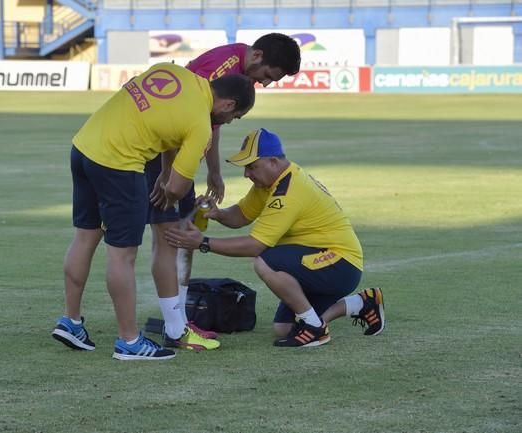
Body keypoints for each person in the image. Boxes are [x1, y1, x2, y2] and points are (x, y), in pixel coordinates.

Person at [51, 62, 256, 360]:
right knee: (122, 254)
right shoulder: (200, 126)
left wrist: (163, 170)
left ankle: (71, 321)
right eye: (233, 116)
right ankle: (129, 341)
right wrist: (176, 192)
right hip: (120, 165)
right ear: (228, 103)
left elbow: (164, 127)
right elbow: (175, 190)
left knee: (85, 237)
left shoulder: (173, 72)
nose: (227, 121)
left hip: (83, 148)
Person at [145, 33, 302, 350]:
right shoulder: (224, 67)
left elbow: (209, 123)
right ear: (257, 56)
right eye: (268, 76)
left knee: (179, 235)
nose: (266, 84)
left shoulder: (234, 72)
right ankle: (176, 327)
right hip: (166, 155)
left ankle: (178, 322)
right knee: (171, 237)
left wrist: (214, 170)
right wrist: (170, 171)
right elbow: (191, 117)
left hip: (174, 156)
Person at [164, 128, 385, 347]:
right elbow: (241, 215)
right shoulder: (271, 182)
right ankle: (362, 303)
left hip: (340, 263)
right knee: (283, 329)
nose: (246, 174)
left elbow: (254, 246)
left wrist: (202, 243)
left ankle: (315, 329)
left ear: (272, 161)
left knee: (265, 261)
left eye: (251, 167)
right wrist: (219, 214)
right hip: (317, 261)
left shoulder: (288, 190)